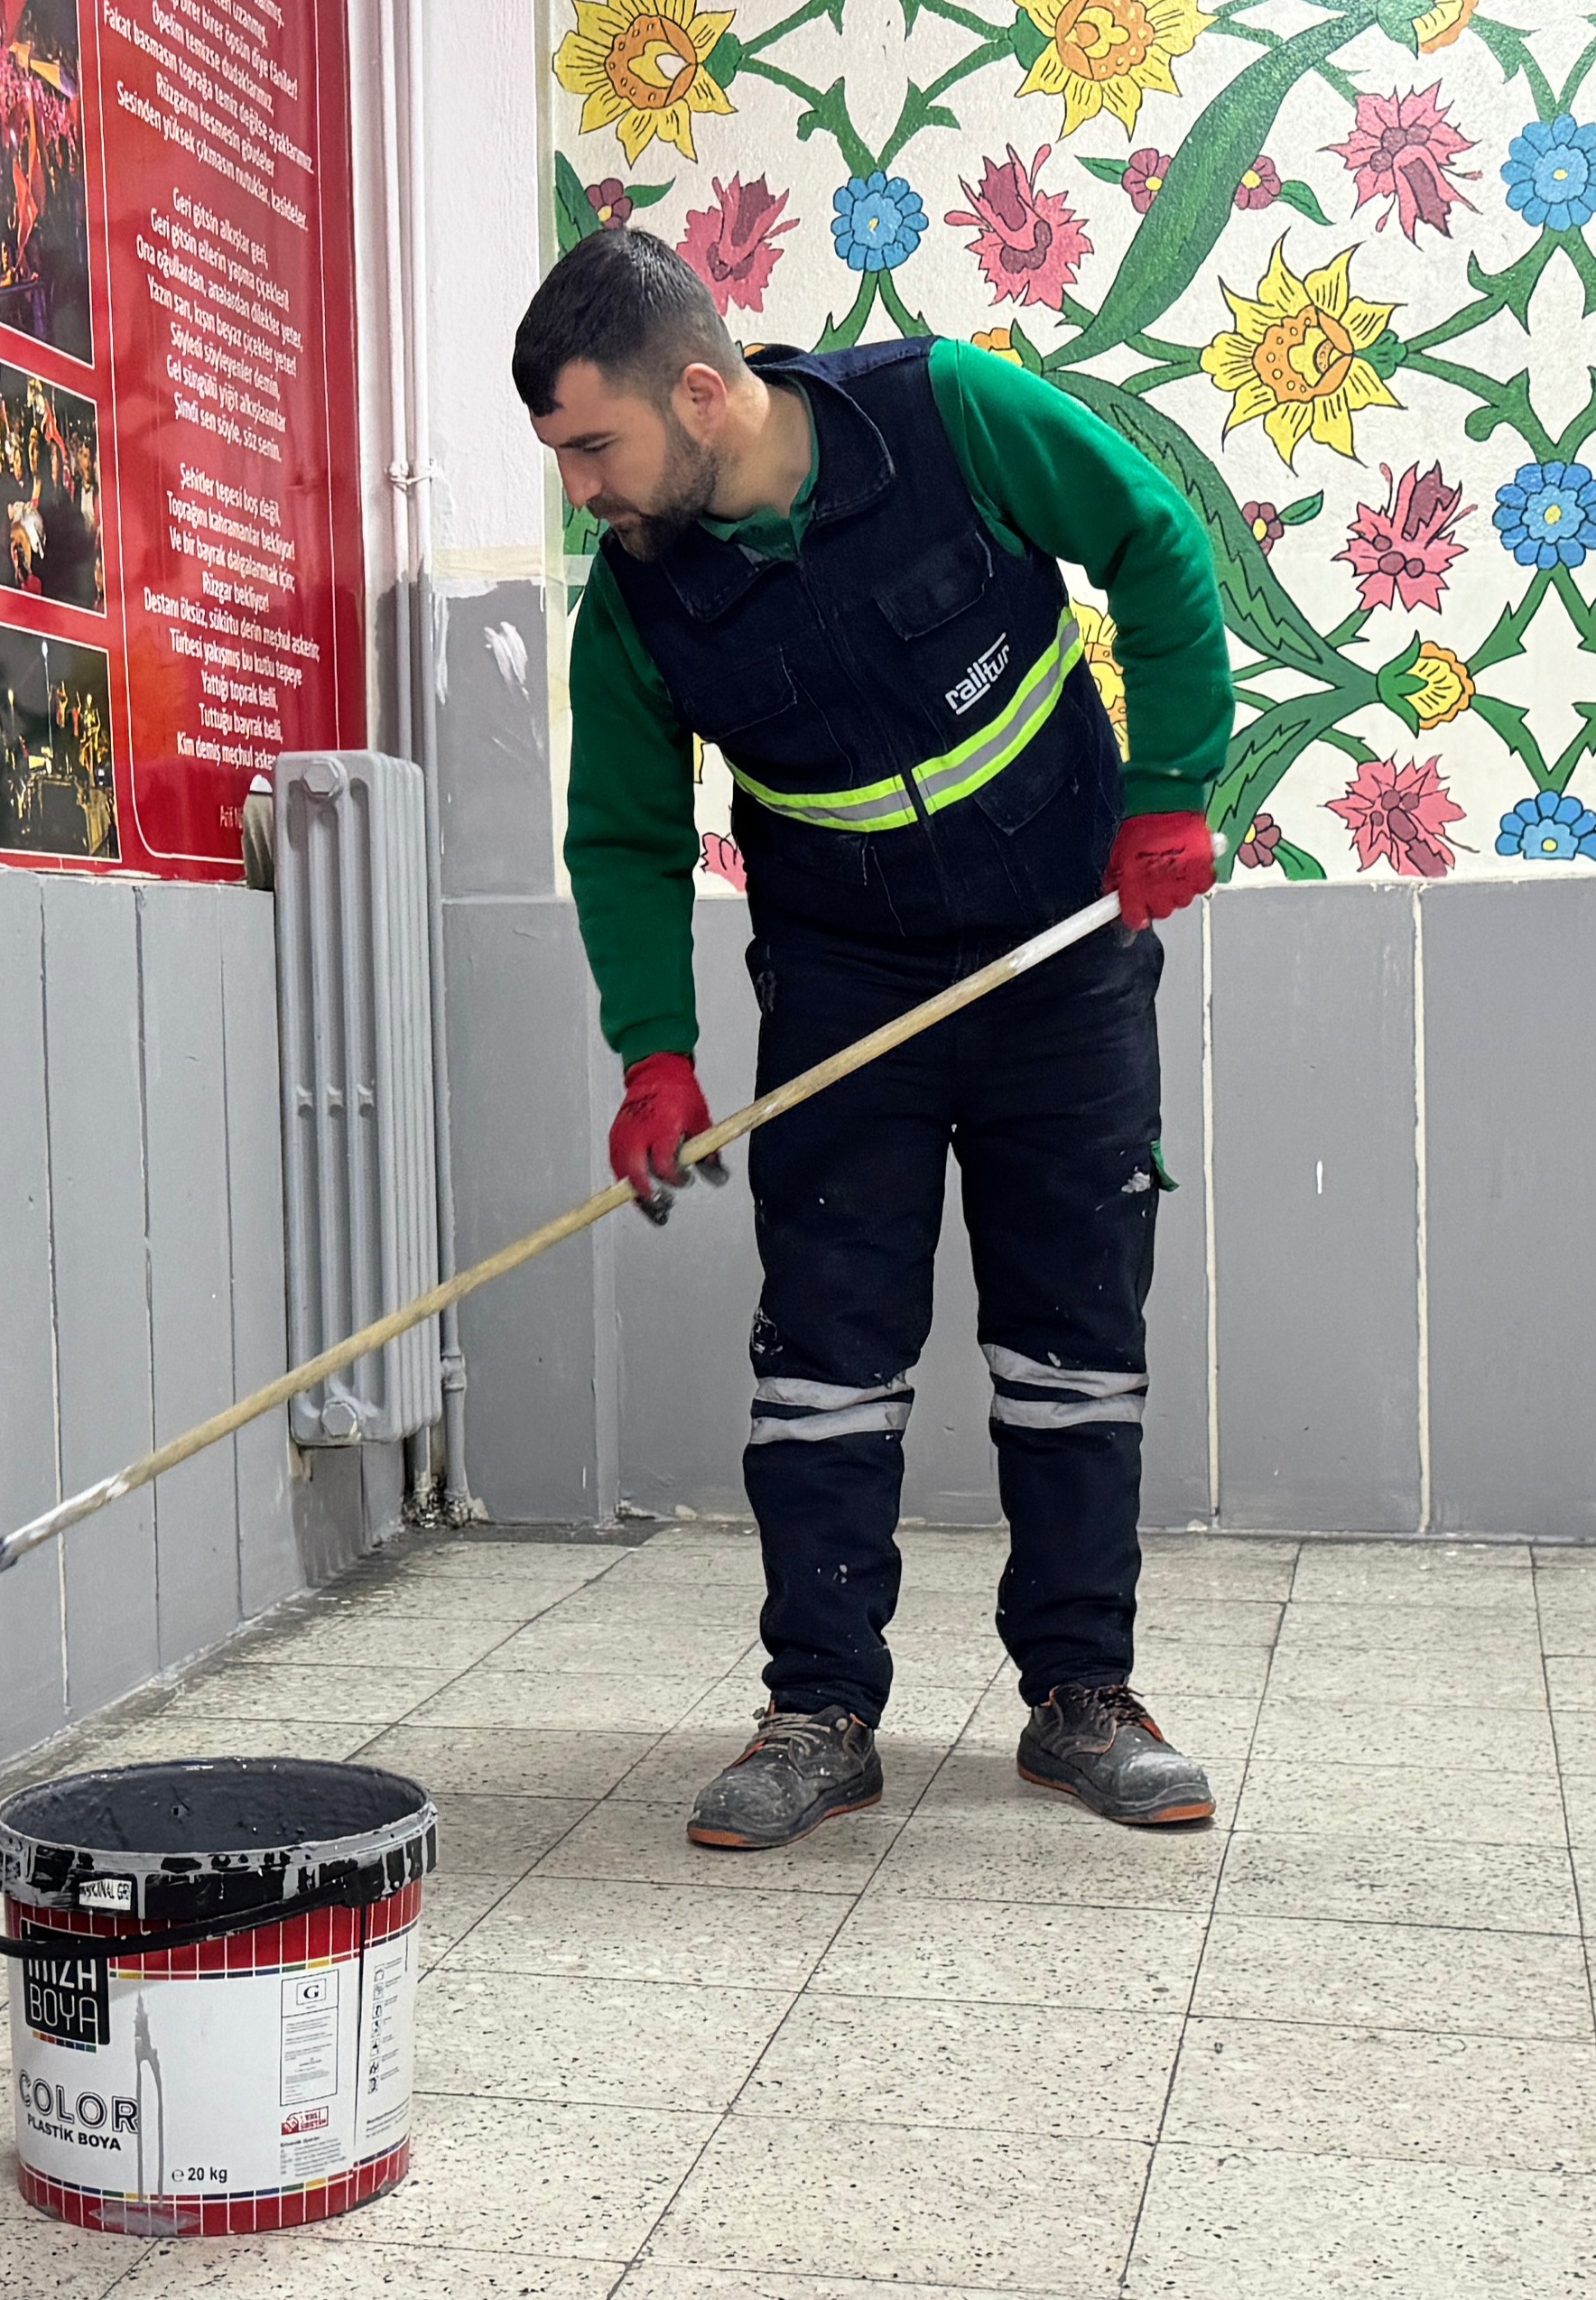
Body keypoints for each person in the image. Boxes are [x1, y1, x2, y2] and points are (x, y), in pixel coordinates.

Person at [515, 227, 1227, 1852]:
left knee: (1072, 1340)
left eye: (593, 446)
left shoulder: (946, 413)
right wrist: (657, 1056)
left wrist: (1173, 783)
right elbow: (621, 838)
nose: (581, 493)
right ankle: (820, 1707)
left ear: (701, 393)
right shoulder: (637, 600)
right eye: (560, 457)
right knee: (825, 1354)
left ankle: (1081, 1696)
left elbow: (1156, 539)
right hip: (846, 981)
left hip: (1061, 947)